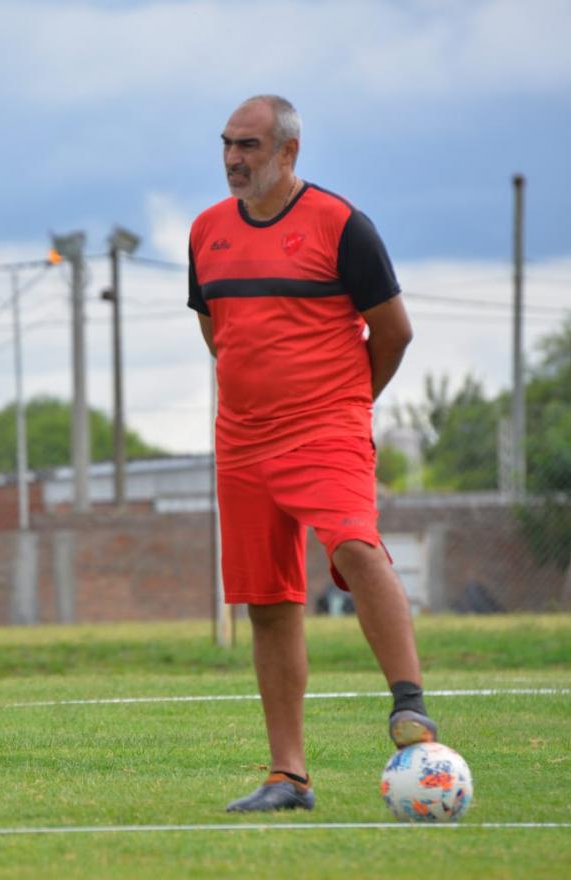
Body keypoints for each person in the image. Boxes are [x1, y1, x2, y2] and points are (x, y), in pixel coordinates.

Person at [188, 95, 437, 813]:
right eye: (228, 145)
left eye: (251, 146)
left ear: (289, 152)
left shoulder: (342, 226)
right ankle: (287, 777)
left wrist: (346, 402)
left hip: (327, 427)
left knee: (357, 546)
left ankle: (411, 706)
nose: (235, 159)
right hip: (241, 438)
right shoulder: (205, 231)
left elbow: (394, 333)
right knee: (268, 602)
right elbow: (219, 332)